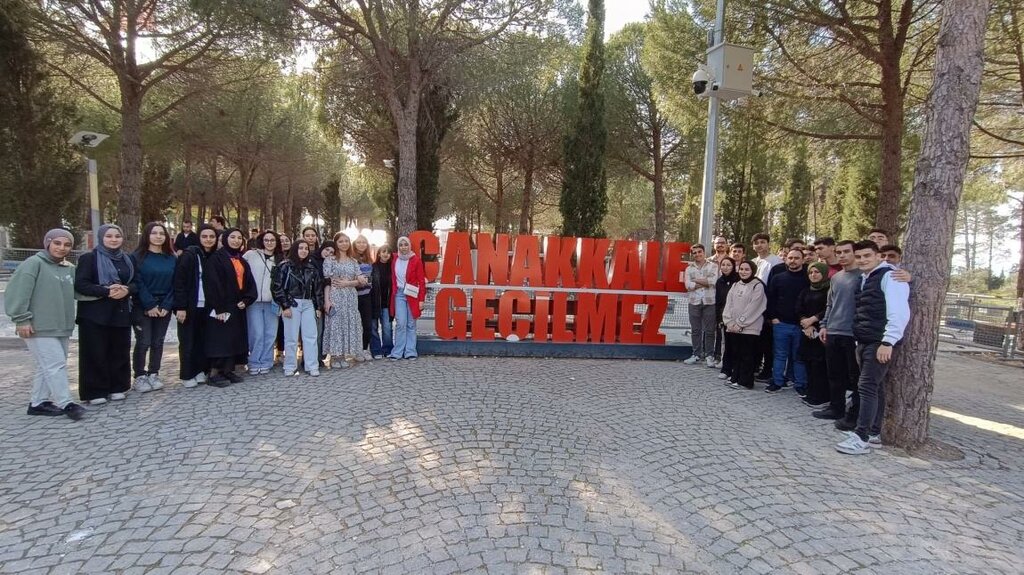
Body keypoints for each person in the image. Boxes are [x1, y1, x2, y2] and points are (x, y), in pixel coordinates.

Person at [835, 241, 910, 455]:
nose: (862, 260)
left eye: (867, 256)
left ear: (879, 256)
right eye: (859, 257)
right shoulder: (865, 278)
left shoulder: (891, 277)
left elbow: (899, 312)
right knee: (875, 387)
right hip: (866, 340)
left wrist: (888, 341)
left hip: (880, 342)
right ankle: (874, 433)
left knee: (867, 386)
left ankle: (862, 436)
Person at [6, 229, 86, 420]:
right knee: (55, 365)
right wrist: (21, 319)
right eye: (57, 243)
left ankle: (38, 403)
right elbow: (17, 293)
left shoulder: (68, 268)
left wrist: (108, 293)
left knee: (47, 365)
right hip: (38, 326)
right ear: (47, 243)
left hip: (61, 326)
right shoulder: (33, 264)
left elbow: (80, 292)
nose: (62, 248)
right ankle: (66, 403)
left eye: (67, 245)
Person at [74, 224, 136, 405]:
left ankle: (118, 386)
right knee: (95, 353)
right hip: (95, 314)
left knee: (119, 351)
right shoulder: (89, 258)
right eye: (109, 236)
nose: (114, 239)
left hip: (121, 312)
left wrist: (127, 289)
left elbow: (137, 282)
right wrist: (106, 291)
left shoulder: (127, 259)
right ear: (101, 238)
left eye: (117, 236)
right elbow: (81, 284)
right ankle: (95, 391)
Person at [203, 228, 257, 386]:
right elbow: (212, 284)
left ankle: (227, 370)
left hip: (237, 306)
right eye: (232, 237)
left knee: (233, 339)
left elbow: (249, 283)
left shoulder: (241, 260)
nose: (236, 240)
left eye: (239, 238)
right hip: (221, 306)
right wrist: (218, 307)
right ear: (225, 239)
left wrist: (247, 299)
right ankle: (214, 373)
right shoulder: (216, 259)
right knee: (220, 340)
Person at [130, 222, 176, 392]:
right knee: (144, 341)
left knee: (158, 341)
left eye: (162, 233)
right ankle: (140, 376)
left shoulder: (171, 258)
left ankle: (153, 373)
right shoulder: (137, 257)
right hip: (143, 306)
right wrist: (149, 304)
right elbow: (137, 282)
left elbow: (175, 283)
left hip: (164, 306)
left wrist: (166, 304)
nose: (158, 236)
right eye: (154, 233)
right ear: (146, 235)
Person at [173, 223, 219, 388]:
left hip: (206, 306)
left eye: (212, 237)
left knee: (202, 340)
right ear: (199, 238)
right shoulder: (190, 255)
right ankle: (187, 374)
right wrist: (180, 307)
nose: (208, 240)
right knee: (187, 341)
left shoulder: (212, 256)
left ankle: (200, 370)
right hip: (189, 306)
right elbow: (179, 282)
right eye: (205, 236)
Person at [272, 239, 324, 376]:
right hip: (292, 303)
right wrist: (285, 305)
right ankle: (289, 366)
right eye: (300, 248)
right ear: (295, 249)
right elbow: (277, 287)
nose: (304, 251)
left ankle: (312, 365)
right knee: (291, 337)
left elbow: (317, 289)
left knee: (311, 336)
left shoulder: (312, 267)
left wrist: (318, 306)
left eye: (306, 248)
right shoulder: (284, 266)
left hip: (308, 303)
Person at [765, 248, 810, 394]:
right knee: (779, 355)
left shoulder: (808, 278)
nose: (793, 261)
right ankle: (777, 381)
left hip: (801, 325)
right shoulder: (779, 278)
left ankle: (800, 384)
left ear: (803, 260)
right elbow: (770, 299)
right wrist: (773, 318)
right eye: (790, 258)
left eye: (797, 258)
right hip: (781, 323)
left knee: (798, 356)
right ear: (786, 259)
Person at [721, 261, 767, 390]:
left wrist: (740, 323)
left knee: (747, 355)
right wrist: (729, 322)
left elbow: (755, 307)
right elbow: (728, 304)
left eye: (747, 269)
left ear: (753, 271)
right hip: (733, 328)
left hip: (750, 328)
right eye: (741, 269)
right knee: (737, 354)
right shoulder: (735, 284)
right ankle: (735, 377)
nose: (743, 271)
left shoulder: (757, 286)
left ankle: (745, 381)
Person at [243, 230, 282, 375]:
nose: (270, 243)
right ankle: (254, 361)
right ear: (262, 241)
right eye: (267, 240)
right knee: (256, 333)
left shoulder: (280, 259)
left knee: (271, 333)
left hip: (272, 301)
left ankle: (266, 361)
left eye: (272, 240)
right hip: (254, 301)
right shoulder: (250, 255)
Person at [323, 233, 364, 367]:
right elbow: (327, 281)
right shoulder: (330, 260)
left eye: (346, 241)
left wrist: (348, 283)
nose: (344, 243)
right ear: (336, 243)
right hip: (335, 295)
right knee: (336, 323)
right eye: (341, 241)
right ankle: (335, 356)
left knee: (350, 321)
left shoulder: (353, 261)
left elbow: (361, 280)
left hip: (351, 297)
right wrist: (327, 300)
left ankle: (347, 353)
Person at [796, 262, 830, 408]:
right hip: (807, 331)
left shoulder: (829, 290)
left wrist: (814, 319)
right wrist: (805, 322)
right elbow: (798, 308)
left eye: (817, 272)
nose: (813, 275)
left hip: (822, 331)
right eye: (811, 272)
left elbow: (829, 308)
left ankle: (821, 397)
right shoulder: (805, 290)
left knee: (820, 365)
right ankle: (811, 393)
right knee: (808, 363)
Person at [389, 236, 427, 360]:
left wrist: (421, 299)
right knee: (400, 323)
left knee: (411, 323)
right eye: (401, 245)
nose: (403, 247)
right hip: (399, 294)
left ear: (409, 246)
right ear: (398, 246)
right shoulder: (394, 258)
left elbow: (421, 280)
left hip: (412, 294)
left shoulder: (416, 260)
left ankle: (410, 351)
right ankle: (397, 351)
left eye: (406, 244)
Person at [683, 244, 718, 368]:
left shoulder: (713, 266)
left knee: (709, 331)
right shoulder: (689, 269)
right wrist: (704, 281)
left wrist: (696, 280)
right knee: (696, 330)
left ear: (704, 252)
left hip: (709, 302)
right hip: (694, 302)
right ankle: (696, 354)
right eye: (694, 252)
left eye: (699, 252)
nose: (697, 254)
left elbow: (713, 282)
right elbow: (688, 285)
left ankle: (709, 356)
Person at [714, 257, 739, 382]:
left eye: (728, 265)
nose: (725, 267)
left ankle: (736, 370)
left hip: (738, 318)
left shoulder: (739, 280)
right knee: (726, 345)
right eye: (723, 265)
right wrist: (719, 318)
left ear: (733, 266)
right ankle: (726, 369)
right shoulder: (719, 282)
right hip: (725, 317)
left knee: (737, 346)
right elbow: (718, 302)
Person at [351, 235, 375, 361]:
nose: (361, 244)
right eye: (359, 242)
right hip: (353, 296)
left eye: (364, 242)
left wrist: (365, 280)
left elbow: (370, 279)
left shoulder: (369, 259)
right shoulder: (350, 259)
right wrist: (361, 281)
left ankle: (365, 348)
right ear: (354, 244)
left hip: (366, 296)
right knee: (355, 325)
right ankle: (356, 350)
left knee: (367, 325)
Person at [369, 244, 395, 359]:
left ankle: (388, 349)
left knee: (387, 328)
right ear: (379, 253)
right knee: (373, 328)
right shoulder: (373, 267)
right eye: (383, 252)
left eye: (388, 252)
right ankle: (376, 350)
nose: (386, 254)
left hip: (387, 303)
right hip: (374, 302)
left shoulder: (393, 267)